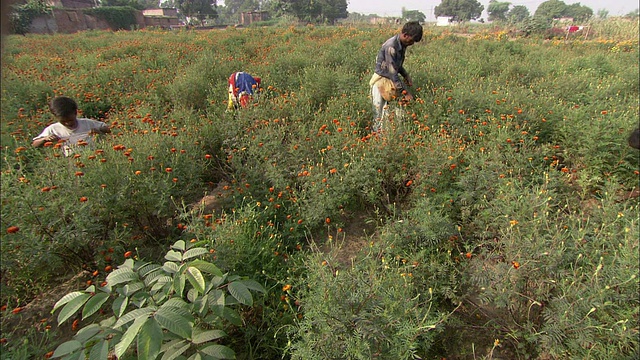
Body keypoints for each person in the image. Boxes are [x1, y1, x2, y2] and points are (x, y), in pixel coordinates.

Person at [370, 21, 423, 133]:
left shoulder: (402, 45)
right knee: (378, 113)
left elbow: (397, 66)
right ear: (405, 35)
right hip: (381, 81)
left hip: (391, 81)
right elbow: (392, 72)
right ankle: (377, 140)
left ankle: (389, 137)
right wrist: (405, 92)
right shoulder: (391, 47)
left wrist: (406, 75)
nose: (412, 43)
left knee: (393, 112)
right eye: (412, 40)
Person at [32, 96, 111, 156]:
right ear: (55, 117)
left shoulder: (87, 123)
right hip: (71, 159)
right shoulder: (53, 129)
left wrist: (100, 131)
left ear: (75, 113)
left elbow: (108, 129)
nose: (67, 123)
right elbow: (35, 144)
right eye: (63, 121)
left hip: (94, 155)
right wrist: (45, 139)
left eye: (70, 120)